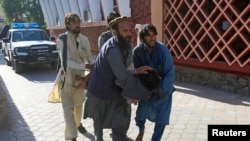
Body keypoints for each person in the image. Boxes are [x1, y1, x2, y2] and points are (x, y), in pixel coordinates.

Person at [83, 16, 153, 141]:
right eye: (124, 31)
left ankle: (119, 137)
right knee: (98, 130)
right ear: (115, 32)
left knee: (120, 122)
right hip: (100, 91)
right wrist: (138, 94)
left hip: (114, 90)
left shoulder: (123, 45)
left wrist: (136, 71)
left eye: (129, 30)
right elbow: (122, 76)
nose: (128, 34)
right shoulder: (113, 50)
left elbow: (123, 72)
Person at [133, 23, 176, 141]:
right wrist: (137, 93)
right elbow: (136, 74)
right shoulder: (137, 52)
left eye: (154, 35)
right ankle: (141, 131)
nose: (152, 38)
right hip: (146, 91)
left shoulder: (163, 50)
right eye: (148, 35)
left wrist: (160, 90)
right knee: (139, 116)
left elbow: (170, 73)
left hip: (163, 90)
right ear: (142, 38)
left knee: (161, 121)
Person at [56, 13, 95, 141]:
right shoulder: (62, 40)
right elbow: (66, 63)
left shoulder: (84, 39)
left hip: (80, 81)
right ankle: (72, 136)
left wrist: (93, 65)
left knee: (78, 106)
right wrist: (86, 66)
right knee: (68, 110)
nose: (77, 24)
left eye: (78, 22)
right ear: (68, 24)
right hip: (66, 81)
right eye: (74, 22)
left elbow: (89, 56)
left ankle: (78, 125)